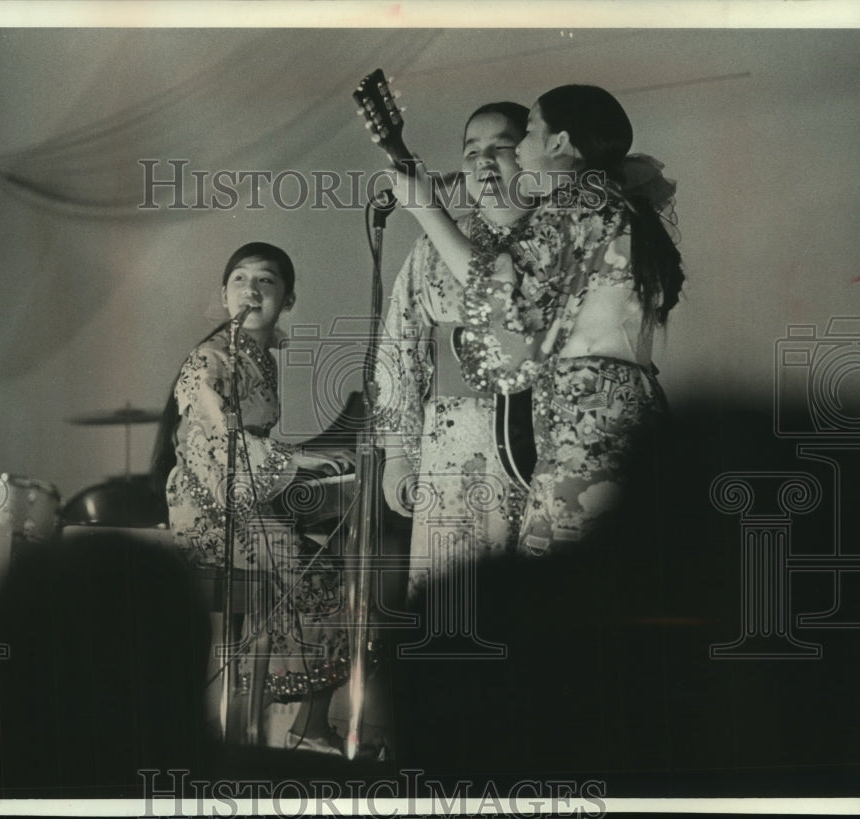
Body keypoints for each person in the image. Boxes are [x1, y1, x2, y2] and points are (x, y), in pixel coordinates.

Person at [389, 84, 684, 556]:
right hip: (607, 417)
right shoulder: (610, 205)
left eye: (526, 133)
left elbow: (498, 286)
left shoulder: (581, 203)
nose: (521, 150)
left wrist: (424, 207)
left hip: (588, 427)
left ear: (559, 144)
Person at [150, 241, 354, 753]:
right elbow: (217, 442)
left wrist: (292, 463)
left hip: (240, 504)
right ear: (223, 294)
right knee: (316, 572)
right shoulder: (208, 358)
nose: (251, 290)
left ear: (286, 299)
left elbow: (250, 443)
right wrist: (295, 461)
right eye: (240, 279)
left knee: (321, 562)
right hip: (206, 508)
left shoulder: (262, 358)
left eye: (266, 281)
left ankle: (269, 718)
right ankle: (294, 725)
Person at [372, 102, 534, 600]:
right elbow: (400, 343)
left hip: (536, 440)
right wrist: (397, 455)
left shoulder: (556, 236)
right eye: (471, 153)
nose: (484, 163)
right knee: (453, 598)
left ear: (530, 154)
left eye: (500, 148)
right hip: (451, 445)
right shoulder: (433, 246)